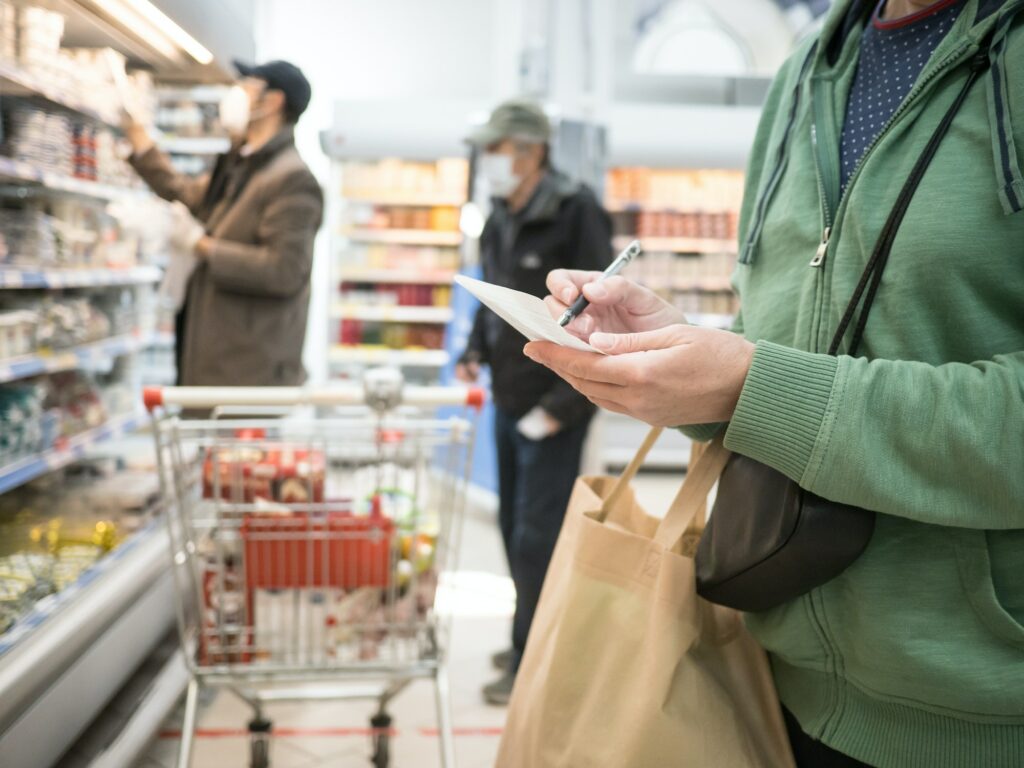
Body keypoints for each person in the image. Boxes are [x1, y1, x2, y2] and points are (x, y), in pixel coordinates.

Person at [526, 0, 1024, 766]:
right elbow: (787, 340)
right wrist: (686, 361)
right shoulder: (805, 73)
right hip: (771, 685)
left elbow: (780, 384)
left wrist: (751, 384)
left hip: (979, 717)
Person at [456, 99, 613, 706]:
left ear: (532, 151)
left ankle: (533, 660)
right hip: (508, 395)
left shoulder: (576, 211)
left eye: (497, 148)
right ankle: (526, 635)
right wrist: (475, 348)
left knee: (537, 535)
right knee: (510, 524)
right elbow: (491, 292)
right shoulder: (500, 212)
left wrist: (561, 409)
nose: (489, 160)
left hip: (554, 401)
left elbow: (600, 313)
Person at [124, 60, 323, 387]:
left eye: (248, 86)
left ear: (274, 101)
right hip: (217, 359)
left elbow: (284, 270)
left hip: (248, 371)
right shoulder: (242, 164)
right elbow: (185, 192)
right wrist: (137, 136)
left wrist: (200, 244)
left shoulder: (291, 179)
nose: (237, 93)